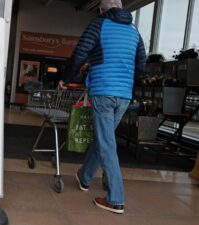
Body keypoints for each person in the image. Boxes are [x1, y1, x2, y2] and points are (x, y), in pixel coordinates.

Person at [58, 0, 146, 214]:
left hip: (103, 92)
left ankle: (116, 199)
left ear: (100, 10)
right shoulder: (135, 31)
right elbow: (141, 63)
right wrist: (127, 81)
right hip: (124, 95)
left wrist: (65, 77)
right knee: (103, 138)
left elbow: (80, 53)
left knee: (107, 144)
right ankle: (85, 177)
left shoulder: (99, 24)